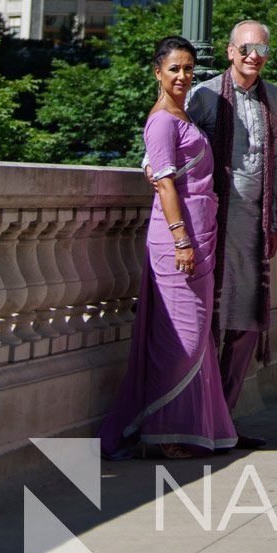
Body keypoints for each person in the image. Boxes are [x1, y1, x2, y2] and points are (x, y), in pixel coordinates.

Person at [102, 37, 237, 458]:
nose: (183, 76)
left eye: (189, 69)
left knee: (195, 338)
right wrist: (181, 238)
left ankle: (188, 428)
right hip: (178, 240)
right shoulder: (163, 119)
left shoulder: (179, 115)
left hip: (200, 235)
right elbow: (163, 181)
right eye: (174, 69)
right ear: (157, 72)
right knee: (180, 338)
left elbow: (156, 164)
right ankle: (163, 433)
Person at [185, 18, 277, 441]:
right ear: (229, 52)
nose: (253, 57)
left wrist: (276, 214)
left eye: (261, 50)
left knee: (245, 321)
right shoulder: (205, 95)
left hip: (254, 223)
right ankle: (199, 419)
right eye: (245, 49)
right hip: (212, 222)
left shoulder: (275, 99)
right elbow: (177, 142)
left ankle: (223, 419)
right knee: (208, 319)